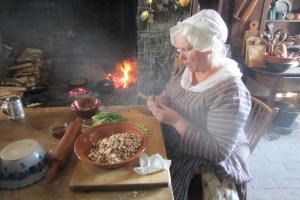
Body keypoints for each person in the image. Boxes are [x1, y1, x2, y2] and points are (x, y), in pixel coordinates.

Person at [146, 9, 252, 200]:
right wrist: (161, 100)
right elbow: (169, 93)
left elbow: (218, 151)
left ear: (209, 48)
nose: (181, 56)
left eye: (187, 49)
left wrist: (177, 121)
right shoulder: (184, 69)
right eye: (179, 49)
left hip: (214, 163)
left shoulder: (229, 91)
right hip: (177, 140)